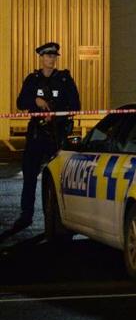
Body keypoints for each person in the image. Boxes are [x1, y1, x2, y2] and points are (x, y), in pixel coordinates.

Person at [13, 42, 80, 229]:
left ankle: (58, 218)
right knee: (29, 176)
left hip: (57, 135)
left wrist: (56, 112)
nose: (51, 59)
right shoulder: (32, 80)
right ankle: (26, 215)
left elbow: (75, 105)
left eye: (54, 56)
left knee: (58, 178)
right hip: (37, 134)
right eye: (48, 56)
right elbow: (20, 102)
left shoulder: (64, 79)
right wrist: (35, 100)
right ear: (41, 58)